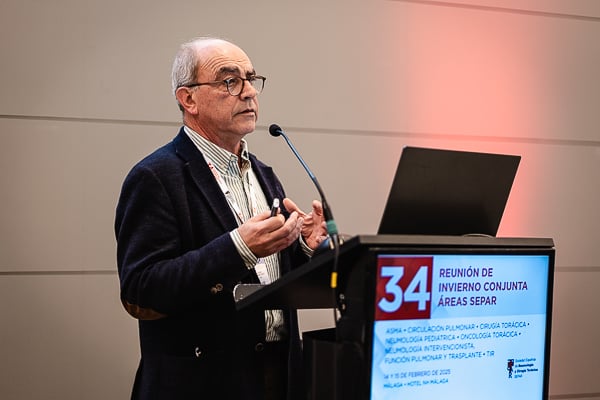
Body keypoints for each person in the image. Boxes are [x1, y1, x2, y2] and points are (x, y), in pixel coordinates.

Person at [115, 37, 328, 400]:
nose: (248, 93)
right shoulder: (156, 176)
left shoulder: (263, 172)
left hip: (279, 374)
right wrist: (237, 248)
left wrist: (303, 248)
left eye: (251, 78)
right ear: (188, 99)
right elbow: (141, 290)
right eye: (230, 81)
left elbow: (265, 277)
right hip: (204, 382)